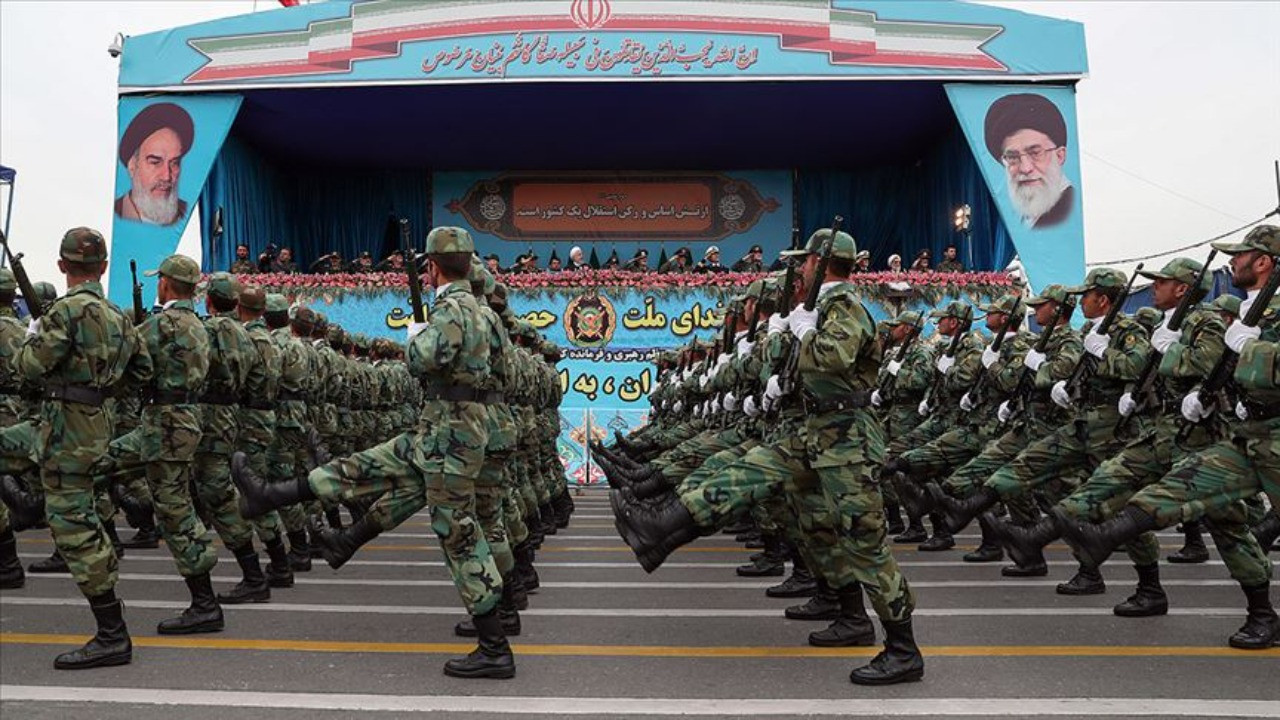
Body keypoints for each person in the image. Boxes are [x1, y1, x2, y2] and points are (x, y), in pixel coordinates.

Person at [232, 226, 516, 679]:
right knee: (365, 466)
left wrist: (416, 335)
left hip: (450, 433)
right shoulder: (484, 313)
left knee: (458, 532)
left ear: (432, 267)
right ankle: (274, 496)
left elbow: (424, 360)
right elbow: (499, 373)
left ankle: (495, 646)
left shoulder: (452, 308)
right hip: (451, 428)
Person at [10, 228, 151, 668]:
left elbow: (29, 366)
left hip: (65, 433)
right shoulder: (118, 316)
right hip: (94, 425)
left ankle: (113, 634)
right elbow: (142, 370)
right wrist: (101, 390)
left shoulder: (63, 312)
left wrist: (33, 335)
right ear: (103, 267)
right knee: (79, 515)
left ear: (61, 265)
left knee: (73, 528)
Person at [985, 93, 1075, 229]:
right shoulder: (1025, 217)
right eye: (1013, 157)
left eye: (1035, 153)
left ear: (1060, 156)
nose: (1025, 168)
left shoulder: (1070, 212)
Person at [114, 102, 193, 226]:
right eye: (155, 162)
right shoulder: (112, 215)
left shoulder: (189, 215)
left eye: (174, 163)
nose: (166, 176)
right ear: (132, 165)